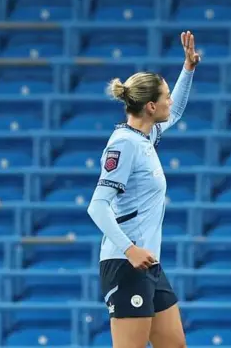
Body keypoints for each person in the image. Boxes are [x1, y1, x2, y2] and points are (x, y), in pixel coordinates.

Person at [86, 31, 200, 348]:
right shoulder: (123, 145)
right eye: (165, 96)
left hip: (149, 264)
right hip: (126, 263)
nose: (170, 101)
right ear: (150, 106)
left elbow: (175, 113)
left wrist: (188, 69)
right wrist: (129, 249)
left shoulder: (144, 138)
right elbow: (96, 206)